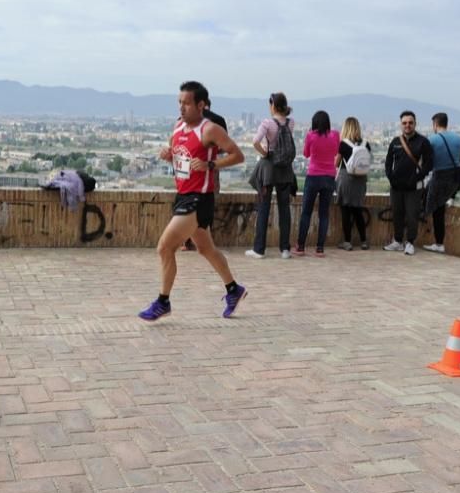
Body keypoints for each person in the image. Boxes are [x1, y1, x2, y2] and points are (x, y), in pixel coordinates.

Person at [140, 81, 247, 321]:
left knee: (165, 247)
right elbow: (183, 162)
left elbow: (238, 155)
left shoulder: (210, 129)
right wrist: (169, 157)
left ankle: (163, 302)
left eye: (186, 103)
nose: (182, 107)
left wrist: (211, 164)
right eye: (179, 102)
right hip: (183, 195)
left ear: (201, 105)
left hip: (199, 199)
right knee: (206, 248)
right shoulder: (178, 127)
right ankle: (233, 289)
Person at [246, 92, 296, 259]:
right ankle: (285, 249)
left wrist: (265, 153)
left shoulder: (268, 123)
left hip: (269, 168)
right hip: (285, 169)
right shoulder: (291, 122)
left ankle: (259, 249)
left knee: (264, 208)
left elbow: (255, 141)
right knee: (284, 210)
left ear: (273, 105)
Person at [384, 110, 433, 256]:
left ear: (415, 124)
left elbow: (429, 164)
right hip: (396, 186)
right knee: (397, 214)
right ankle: (398, 241)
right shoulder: (395, 142)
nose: (407, 125)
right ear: (401, 124)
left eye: (410, 123)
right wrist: (390, 176)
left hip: (413, 187)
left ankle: (410, 242)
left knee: (412, 215)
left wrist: (418, 177)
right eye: (404, 123)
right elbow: (388, 162)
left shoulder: (423, 142)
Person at [182, 97, 227, 252]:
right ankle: (206, 243)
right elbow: (223, 147)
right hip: (209, 168)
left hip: (189, 169)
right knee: (208, 204)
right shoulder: (218, 120)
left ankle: (187, 241)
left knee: (187, 203)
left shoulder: (185, 119)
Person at [293, 110, 339, 257]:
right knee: (324, 214)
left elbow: (306, 154)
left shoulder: (310, 136)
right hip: (329, 176)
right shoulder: (335, 135)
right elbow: (336, 151)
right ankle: (320, 248)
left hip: (313, 176)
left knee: (306, 212)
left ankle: (300, 246)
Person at [423, 113, 460, 254]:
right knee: (440, 208)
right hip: (454, 179)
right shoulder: (459, 139)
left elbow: (426, 161)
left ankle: (439, 243)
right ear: (446, 123)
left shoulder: (432, 139)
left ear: (435, 124)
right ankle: (451, 199)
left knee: (437, 210)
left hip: (439, 178)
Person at [335, 116, 371, 251]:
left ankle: (347, 242)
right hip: (361, 180)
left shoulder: (343, 144)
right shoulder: (366, 143)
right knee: (358, 211)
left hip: (346, 179)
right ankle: (364, 241)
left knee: (345, 211)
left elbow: (336, 163)